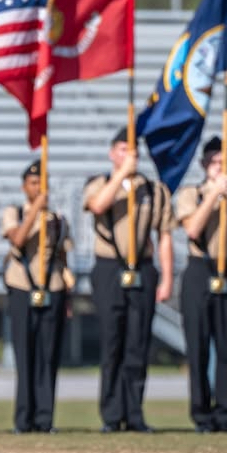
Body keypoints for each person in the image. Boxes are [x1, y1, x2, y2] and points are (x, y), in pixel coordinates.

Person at [82, 126, 176, 433]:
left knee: (138, 343)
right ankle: (111, 415)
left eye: (131, 150)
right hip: (110, 267)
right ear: (112, 153)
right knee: (113, 343)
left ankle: (134, 412)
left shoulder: (153, 189)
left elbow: (164, 235)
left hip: (143, 268)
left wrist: (166, 277)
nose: (127, 155)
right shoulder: (100, 183)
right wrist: (122, 173)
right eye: (122, 149)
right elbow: (97, 206)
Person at [173, 136, 227, 433]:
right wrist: (213, 195)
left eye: (222, 162)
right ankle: (201, 413)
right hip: (199, 269)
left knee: (226, 347)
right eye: (213, 162)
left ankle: (225, 413)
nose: (218, 166)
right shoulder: (190, 194)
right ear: (203, 164)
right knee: (198, 348)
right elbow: (192, 228)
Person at [2, 159, 73, 434]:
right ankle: (24, 419)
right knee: (25, 356)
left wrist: (67, 291)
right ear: (24, 187)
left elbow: (63, 254)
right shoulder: (16, 212)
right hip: (22, 286)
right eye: (33, 183)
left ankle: (45, 418)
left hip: (51, 287)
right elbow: (17, 240)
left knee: (48, 355)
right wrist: (35, 212)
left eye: (42, 183)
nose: (39, 188)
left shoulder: (58, 219)